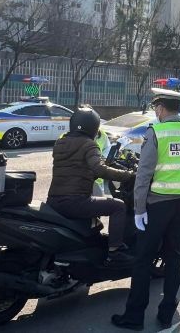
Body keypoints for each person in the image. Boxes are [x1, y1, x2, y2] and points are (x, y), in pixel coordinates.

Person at [112, 88, 180, 331]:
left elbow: (143, 174)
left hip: (157, 206)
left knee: (143, 259)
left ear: (161, 108)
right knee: (174, 257)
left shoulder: (157, 132)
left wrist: (139, 208)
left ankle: (134, 317)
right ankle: (166, 314)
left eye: (156, 108)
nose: (155, 112)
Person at [47, 107, 135, 263]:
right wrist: (128, 175)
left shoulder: (60, 143)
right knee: (119, 206)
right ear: (93, 127)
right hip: (75, 201)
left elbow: (74, 168)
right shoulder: (89, 144)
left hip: (54, 201)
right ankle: (115, 251)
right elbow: (99, 169)